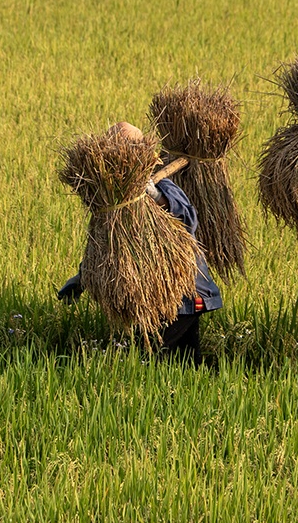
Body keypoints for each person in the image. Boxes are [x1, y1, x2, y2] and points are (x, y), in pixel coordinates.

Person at [57, 122, 223, 363]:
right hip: (157, 297)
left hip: (182, 292)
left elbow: (188, 219)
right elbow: (110, 249)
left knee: (148, 357)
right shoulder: (114, 205)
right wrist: (82, 278)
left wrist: (156, 195)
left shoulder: (160, 185)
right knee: (185, 361)